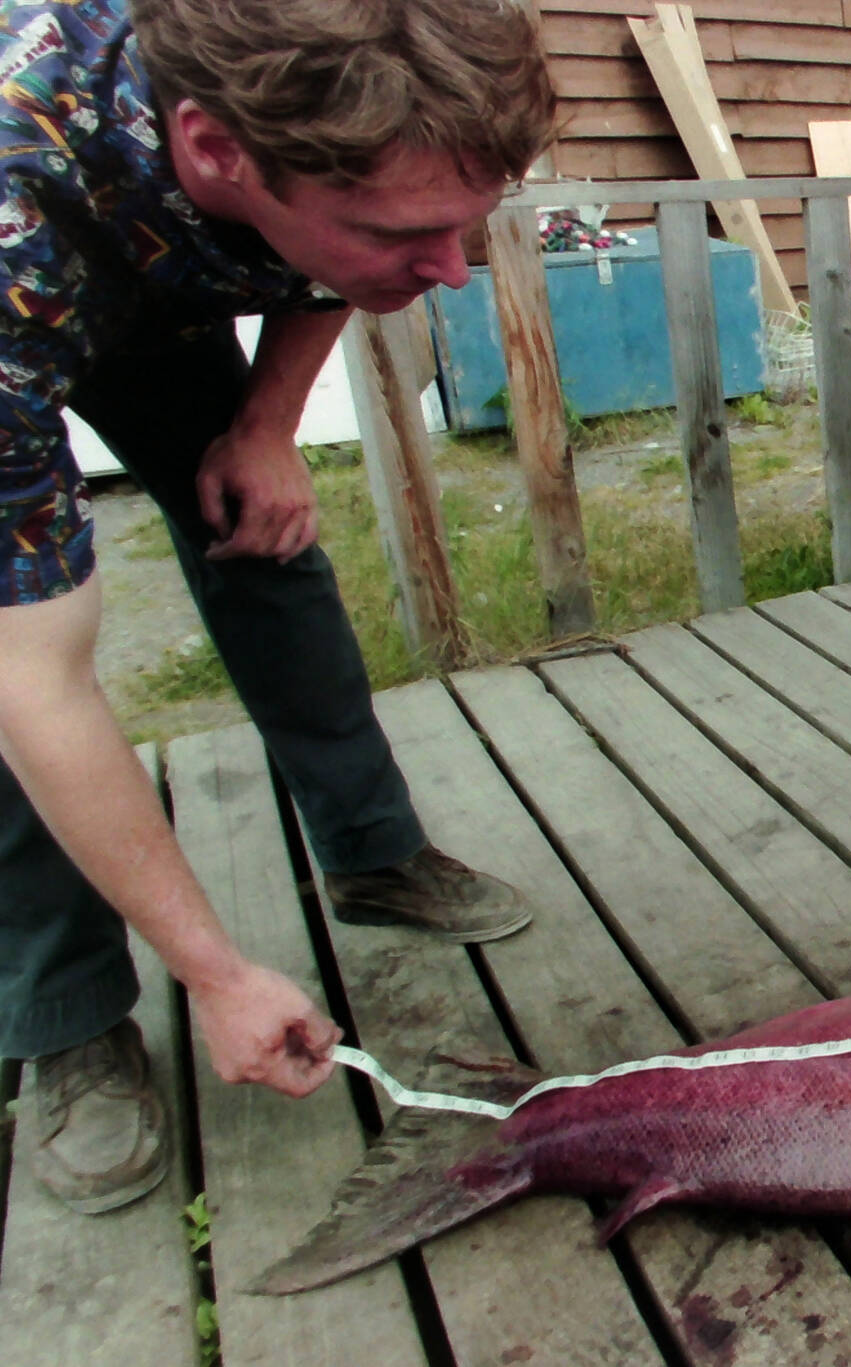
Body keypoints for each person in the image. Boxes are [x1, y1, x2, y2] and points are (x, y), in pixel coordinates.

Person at [0, 0, 556, 1214]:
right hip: (25, 283)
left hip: (169, 259)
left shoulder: (319, 106)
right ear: (214, 149)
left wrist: (266, 426)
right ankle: (67, 1013)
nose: (453, 272)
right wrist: (214, 970)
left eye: (469, 225)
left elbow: (329, 249)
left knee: (261, 525)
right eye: (404, 232)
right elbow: (31, 683)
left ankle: (374, 852)